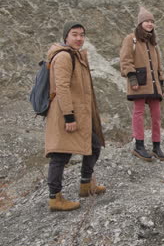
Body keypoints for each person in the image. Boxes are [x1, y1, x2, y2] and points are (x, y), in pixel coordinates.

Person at [45, 21, 106, 211]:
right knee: (60, 155)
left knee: (94, 145)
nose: (79, 38)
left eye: (82, 34)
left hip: (78, 114)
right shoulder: (64, 56)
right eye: (75, 34)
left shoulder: (76, 55)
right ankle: (55, 198)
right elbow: (61, 87)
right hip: (66, 114)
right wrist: (69, 117)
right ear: (66, 37)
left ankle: (85, 185)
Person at [120, 7, 164, 162]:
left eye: (152, 21)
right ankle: (139, 145)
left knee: (157, 115)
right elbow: (125, 60)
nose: (149, 24)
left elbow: (159, 66)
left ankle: (156, 145)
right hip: (139, 83)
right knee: (138, 113)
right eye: (147, 21)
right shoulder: (130, 39)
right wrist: (132, 79)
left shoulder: (153, 42)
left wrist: (162, 85)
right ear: (140, 23)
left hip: (154, 85)